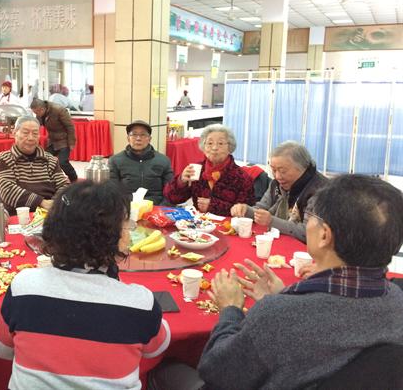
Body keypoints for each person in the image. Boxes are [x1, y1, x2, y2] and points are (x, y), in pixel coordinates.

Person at [150, 174, 403, 390]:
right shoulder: (396, 299)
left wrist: (231, 309)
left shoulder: (279, 315)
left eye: (311, 217)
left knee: (164, 369)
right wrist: (283, 296)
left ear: (324, 235)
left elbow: (216, 371)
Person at [0, 180, 171, 389]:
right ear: (111, 237)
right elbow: (157, 347)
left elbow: (0, 349)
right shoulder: (139, 303)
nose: (129, 232)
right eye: (125, 225)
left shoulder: (23, 287)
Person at [231, 141, 328, 242]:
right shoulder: (276, 184)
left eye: (283, 171)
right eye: (273, 170)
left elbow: (309, 233)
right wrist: (246, 210)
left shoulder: (320, 191)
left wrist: (272, 221)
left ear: (302, 168)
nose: (277, 176)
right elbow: (262, 209)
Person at [164, 124, 254, 215]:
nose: (214, 148)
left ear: (230, 147)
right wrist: (181, 181)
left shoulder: (241, 177)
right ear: (203, 147)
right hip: (198, 222)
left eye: (220, 143)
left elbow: (245, 212)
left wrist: (213, 206)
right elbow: (172, 198)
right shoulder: (197, 169)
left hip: (228, 223)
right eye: (210, 143)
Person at [0, 116, 69, 214]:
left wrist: (54, 204)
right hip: (16, 215)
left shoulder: (50, 160)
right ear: (14, 133)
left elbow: (64, 185)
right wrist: (42, 202)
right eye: (25, 133)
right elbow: (7, 190)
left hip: (48, 214)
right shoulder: (3, 159)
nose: (31, 138)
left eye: (35, 133)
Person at [109, 120, 173, 205]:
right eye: (134, 134)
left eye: (143, 135)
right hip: (127, 206)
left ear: (149, 139)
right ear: (128, 138)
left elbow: (171, 191)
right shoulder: (115, 161)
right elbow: (112, 191)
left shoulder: (163, 160)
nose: (138, 138)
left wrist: (162, 209)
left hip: (156, 205)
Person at [30, 98, 78, 182]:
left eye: (37, 113)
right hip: (52, 140)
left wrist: (71, 142)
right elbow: (37, 124)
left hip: (64, 140)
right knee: (43, 159)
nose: (36, 115)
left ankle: (74, 178)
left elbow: (70, 126)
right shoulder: (39, 113)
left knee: (63, 162)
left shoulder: (59, 110)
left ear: (42, 109)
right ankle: (49, 179)